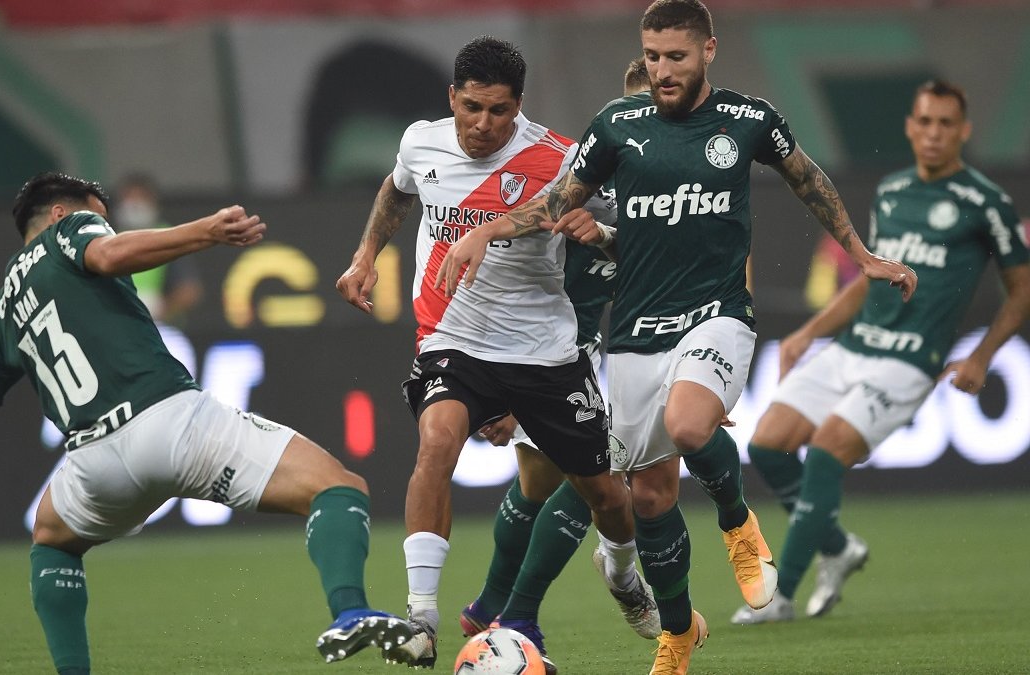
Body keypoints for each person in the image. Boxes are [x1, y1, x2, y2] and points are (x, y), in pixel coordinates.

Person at [431, 2, 918, 673]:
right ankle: (677, 630)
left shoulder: (748, 119)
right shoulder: (616, 126)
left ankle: (736, 522)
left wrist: (861, 255)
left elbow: (809, 179)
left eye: (676, 57)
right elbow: (557, 201)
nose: (662, 70)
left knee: (688, 426)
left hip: (716, 311)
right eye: (653, 56)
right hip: (636, 331)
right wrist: (486, 231)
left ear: (708, 50)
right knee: (649, 495)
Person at [0, 172, 413, 674]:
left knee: (52, 539)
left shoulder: (0, 319)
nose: (107, 228)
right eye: (100, 218)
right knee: (338, 489)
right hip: (170, 421)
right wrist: (207, 231)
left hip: (93, 463)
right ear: (60, 213)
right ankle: (350, 611)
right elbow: (108, 255)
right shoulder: (68, 231)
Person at [335, 36, 653, 672]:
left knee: (608, 497)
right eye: (472, 107)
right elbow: (398, 190)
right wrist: (366, 254)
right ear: (452, 96)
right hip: (454, 339)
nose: (483, 124)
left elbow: (636, 244)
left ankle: (621, 573)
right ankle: (421, 619)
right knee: (436, 444)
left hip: (543, 351)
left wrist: (599, 232)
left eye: (499, 111)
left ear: (519, 106)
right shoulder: (420, 142)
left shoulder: (560, 158)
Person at [733, 79, 1030, 625]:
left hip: (909, 362)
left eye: (946, 123)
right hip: (854, 346)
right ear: (911, 127)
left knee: (826, 452)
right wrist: (806, 334)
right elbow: (870, 281)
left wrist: (982, 356)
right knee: (767, 446)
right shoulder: (892, 190)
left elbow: (1022, 289)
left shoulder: (986, 202)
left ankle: (782, 597)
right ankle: (838, 546)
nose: (934, 133)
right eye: (926, 121)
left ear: (963, 131)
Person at [457, 58, 660, 654]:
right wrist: (507, 390)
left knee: (541, 480)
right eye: (640, 110)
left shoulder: (669, 193)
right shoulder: (583, 177)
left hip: (586, 347)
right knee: (593, 476)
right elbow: (513, 262)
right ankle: (521, 612)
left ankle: (490, 605)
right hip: (542, 352)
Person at [113, 173, 204, 327]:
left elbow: (190, 291)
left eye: (140, 198)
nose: (135, 205)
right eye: (129, 198)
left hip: (163, 329)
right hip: (122, 328)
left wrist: (160, 309)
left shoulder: (171, 237)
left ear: (153, 202)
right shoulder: (109, 239)